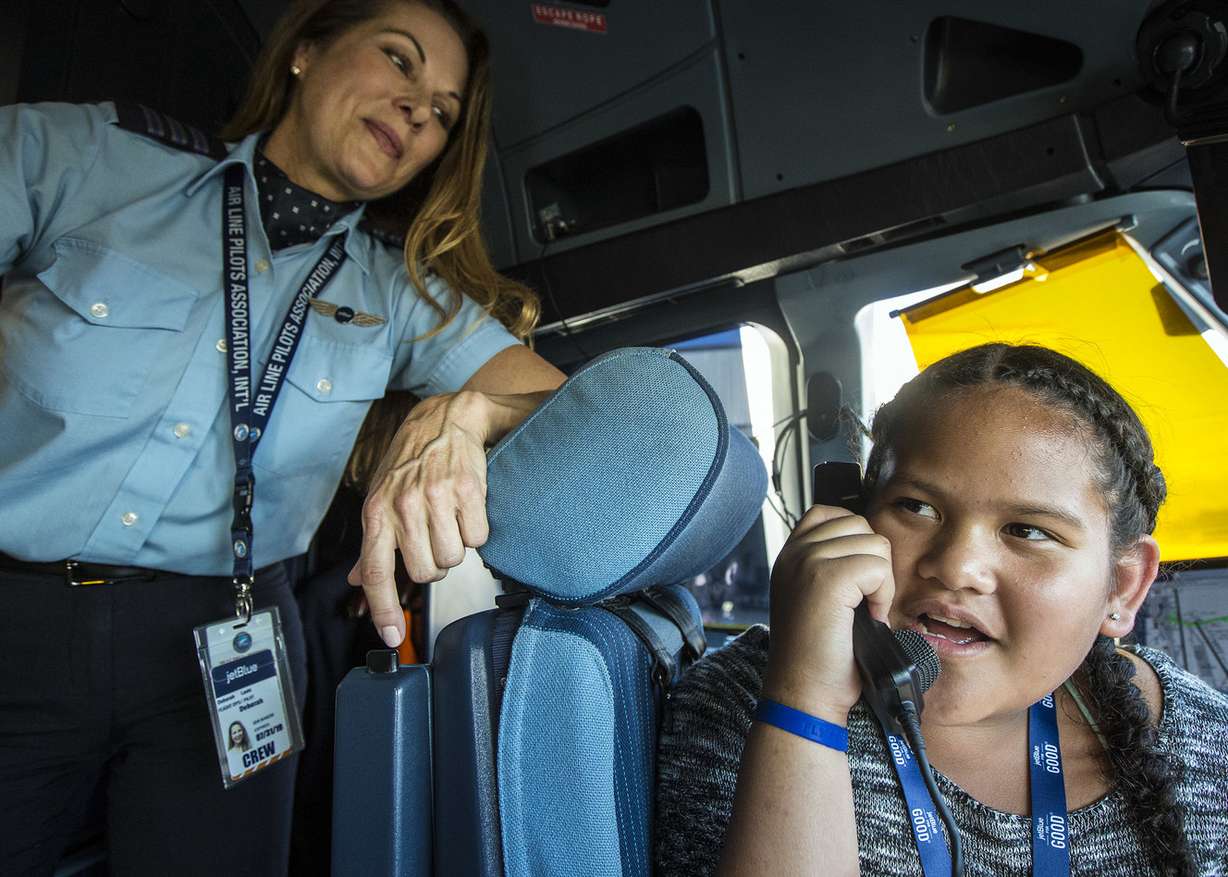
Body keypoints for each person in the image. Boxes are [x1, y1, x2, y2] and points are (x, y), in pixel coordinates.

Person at [0, 1, 564, 873]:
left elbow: (567, 403)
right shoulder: (85, 158)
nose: (420, 109)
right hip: (18, 613)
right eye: (399, 61)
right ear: (306, 52)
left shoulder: (396, 291)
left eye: (446, 111)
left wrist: (466, 413)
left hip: (234, 632)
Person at [655, 343, 1228, 876]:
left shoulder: (1206, 743)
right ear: (849, 516)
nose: (955, 567)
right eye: (916, 506)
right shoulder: (739, 707)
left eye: (1027, 530)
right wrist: (805, 701)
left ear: (1122, 587)